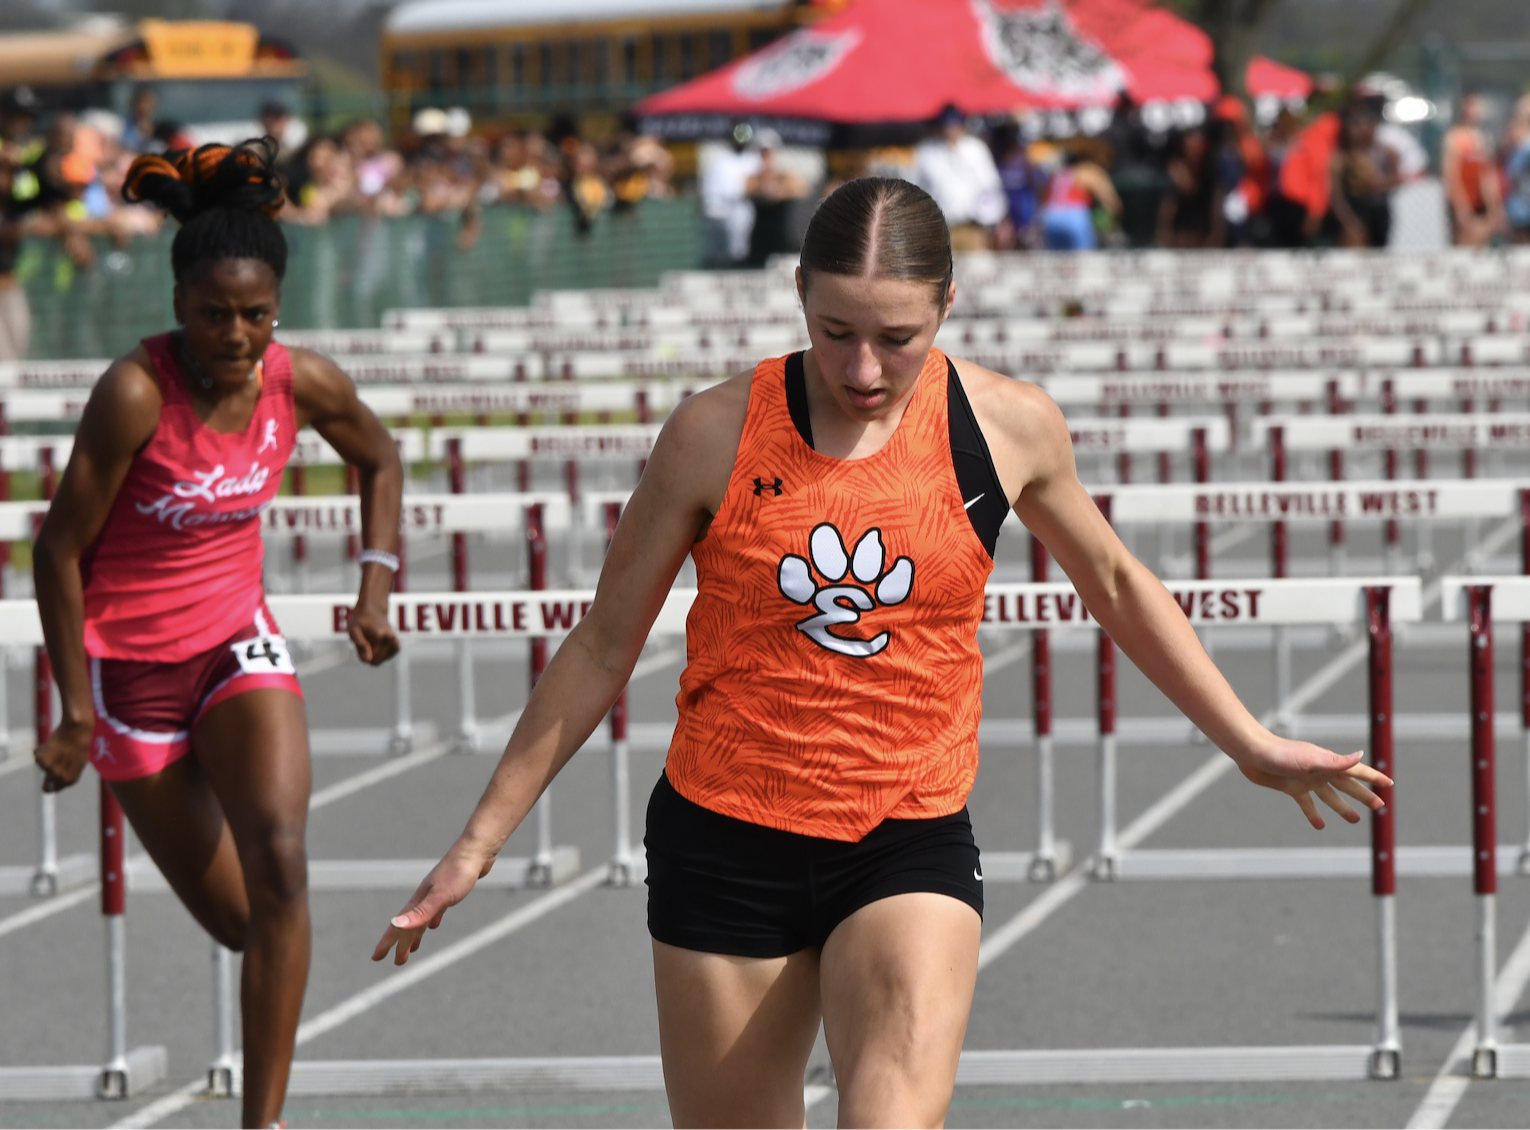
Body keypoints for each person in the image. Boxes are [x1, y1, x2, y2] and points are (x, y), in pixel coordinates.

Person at [372, 177, 1392, 1128]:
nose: (863, 368)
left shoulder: (1005, 426)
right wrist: (476, 845)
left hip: (904, 834)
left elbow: (1117, 582)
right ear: (798, 296)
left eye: (896, 338)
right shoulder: (712, 434)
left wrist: (1248, 741)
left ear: (947, 304)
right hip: (725, 836)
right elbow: (601, 646)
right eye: (835, 333)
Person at [32, 137, 404, 1130]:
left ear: (277, 307)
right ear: (178, 303)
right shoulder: (135, 394)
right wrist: (74, 708)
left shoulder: (300, 381)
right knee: (246, 920)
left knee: (283, 863)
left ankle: (262, 1121)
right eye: (212, 314)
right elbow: (56, 552)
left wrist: (376, 581)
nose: (235, 336)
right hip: (129, 676)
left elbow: (382, 456)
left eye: (255, 314)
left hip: (237, 643)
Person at [913, 104, 1005, 251]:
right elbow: (916, 190)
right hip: (940, 230)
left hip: (973, 228)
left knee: (979, 271)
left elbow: (991, 187)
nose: (951, 129)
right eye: (947, 125)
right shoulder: (927, 152)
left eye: (954, 125)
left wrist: (994, 219)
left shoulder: (976, 149)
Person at [1442, 92, 1506, 247]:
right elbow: (1451, 176)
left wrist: (1495, 207)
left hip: (1481, 204)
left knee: (1483, 240)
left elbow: (1488, 176)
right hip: (1465, 201)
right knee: (1466, 242)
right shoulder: (1455, 137)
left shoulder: (1483, 138)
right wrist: (1461, 207)